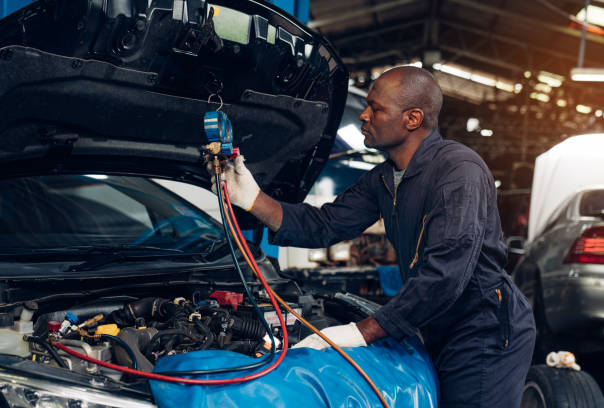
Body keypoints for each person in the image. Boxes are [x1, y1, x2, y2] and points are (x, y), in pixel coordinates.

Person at [212, 66, 536, 408]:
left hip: (483, 328)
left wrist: (360, 331)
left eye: (376, 108)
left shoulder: (458, 172)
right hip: (438, 323)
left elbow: (446, 273)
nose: (364, 116)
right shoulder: (384, 178)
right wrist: (250, 198)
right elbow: (326, 224)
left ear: (412, 119)